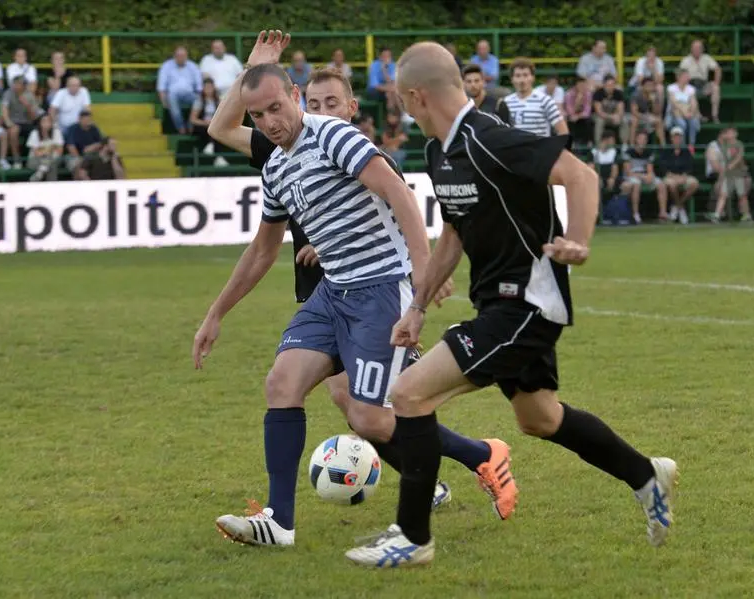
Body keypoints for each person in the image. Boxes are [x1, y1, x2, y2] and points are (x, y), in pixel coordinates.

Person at [346, 41, 677, 568]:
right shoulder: (438, 152)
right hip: (495, 304)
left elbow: (581, 175)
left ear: (416, 95)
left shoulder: (491, 138)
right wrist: (417, 308)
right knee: (538, 417)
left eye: (404, 102)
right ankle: (645, 474)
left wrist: (580, 240)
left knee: (407, 395)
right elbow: (453, 230)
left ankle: (413, 537)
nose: (404, 113)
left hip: (527, 304)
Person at [195, 31, 515, 547]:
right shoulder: (275, 165)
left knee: (369, 417)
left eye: (277, 108)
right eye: (258, 117)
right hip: (333, 293)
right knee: (281, 384)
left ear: (294, 96)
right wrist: (215, 314)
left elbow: (401, 196)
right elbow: (261, 251)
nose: (269, 123)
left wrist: (423, 278)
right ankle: (278, 522)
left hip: (378, 290)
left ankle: (482, 455)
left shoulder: (334, 137)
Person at [503, 58, 567, 137]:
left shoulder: (545, 101)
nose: (522, 80)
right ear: (512, 79)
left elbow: (563, 131)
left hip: (540, 148)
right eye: (518, 76)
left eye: (525, 75)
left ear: (533, 78)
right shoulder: (506, 102)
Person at [624, 130, 668, 223]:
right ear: (636, 139)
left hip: (644, 175)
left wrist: (650, 176)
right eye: (640, 139)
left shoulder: (649, 152)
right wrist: (642, 176)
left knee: (661, 184)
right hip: (632, 177)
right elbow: (628, 172)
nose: (642, 141)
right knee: (636, 184)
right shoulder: (628, 152)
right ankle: (635, 214)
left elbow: (650, 170)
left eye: (644, 139)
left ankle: (662, 213)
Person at [709, 127, 752, 223]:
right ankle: (717, 215)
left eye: (731, 133)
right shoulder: (724, 145)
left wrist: (732, 165)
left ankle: (746, 214)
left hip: (739, 174)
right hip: (728, 175)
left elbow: (739, 157)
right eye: (728, 133)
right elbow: (724, 158)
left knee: (742, 195)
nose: (729, 135)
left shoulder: (739, 144)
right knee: (723, 194)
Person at [659, 127, 698, 225]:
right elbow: (663, 168)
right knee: (672, 185)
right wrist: (674, 177)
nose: (677, 139)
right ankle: (680, 208)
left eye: (679, 137)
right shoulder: (666, 151)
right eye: (675, 137)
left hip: (683, 176)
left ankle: (678, 206)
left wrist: (684, 176)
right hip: (670, 177)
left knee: (694, 184)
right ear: (671, 138)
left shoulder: (686, 151)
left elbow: (689, 166)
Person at [189, 78, 228, 167]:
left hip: (214, 126)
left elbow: (223, 116)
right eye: (206, 87)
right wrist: (205, 123)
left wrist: (213, 123)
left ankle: (211, 146)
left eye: (210, 87)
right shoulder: (199, 101)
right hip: (202, 126)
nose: (208, 90)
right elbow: (193, 119)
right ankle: (218, 156)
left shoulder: (218, 100)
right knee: (209, 130)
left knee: (216, 130)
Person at [665, 69, 701, 146]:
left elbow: (694, 102)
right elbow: (674, 103)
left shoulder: (691, 88)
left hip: (688, 112)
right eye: (685, 76)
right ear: (678, 77)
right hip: (675, 113)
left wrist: (691, 112)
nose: (688, 78)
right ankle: (683, 146)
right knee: (682, 124)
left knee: (693, 122)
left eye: (688, 76)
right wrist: (684, 112)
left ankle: (692, 144)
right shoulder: (671, 88)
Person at [26, 113, 64, 182]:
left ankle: (40, 173)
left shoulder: (57, 132)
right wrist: (51, 150)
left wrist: (45, 152)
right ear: (40, 123)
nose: (46, 123)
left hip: (53, 159)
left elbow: (60, 151)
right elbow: (37, 153)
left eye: (48, 121)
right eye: (44, 121)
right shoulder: (34, 133)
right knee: (51, 165)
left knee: (52, 163)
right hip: (35, 161)